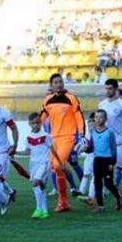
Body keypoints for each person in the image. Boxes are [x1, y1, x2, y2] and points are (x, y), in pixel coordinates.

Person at [41, 74, 85, 212]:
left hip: (68, 137)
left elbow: (79, 116)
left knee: (57, 165)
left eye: (60, 82)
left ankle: (64, 200)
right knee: (55, 168)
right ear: (51, 85)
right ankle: (64, 202)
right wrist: (38, 129)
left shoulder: (71, 98)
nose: (59, 84)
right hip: (54, 138)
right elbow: (43, 116)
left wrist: (82, 134)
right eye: (56, 82)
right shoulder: (47, 100)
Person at [16, 113, 64, 219]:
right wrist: (15, 152)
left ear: (41, 123)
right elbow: (27, 151)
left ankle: (38, 209)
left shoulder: (46, 136)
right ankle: (45, 211)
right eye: (32, 123)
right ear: (29, 124)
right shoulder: (28, 137)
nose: (35, 125)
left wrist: (60, 163)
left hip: (44, 163)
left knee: (35, 183)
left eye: (37, 123)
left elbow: (53, 150)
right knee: (41, 186)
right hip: (34, 164)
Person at [88, 109, 122, 213]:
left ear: (105, 119)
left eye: (101, 117)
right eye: (96, 117)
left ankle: (118, 198)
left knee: (108, 184)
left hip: (107, 160)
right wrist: (85, 148)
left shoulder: (109, 132)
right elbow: (91, 147)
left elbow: (113, 148)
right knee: (97, 183)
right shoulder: (93, 132)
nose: (98, 119)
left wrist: (113, 162)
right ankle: (100, 206)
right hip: (97, 160)